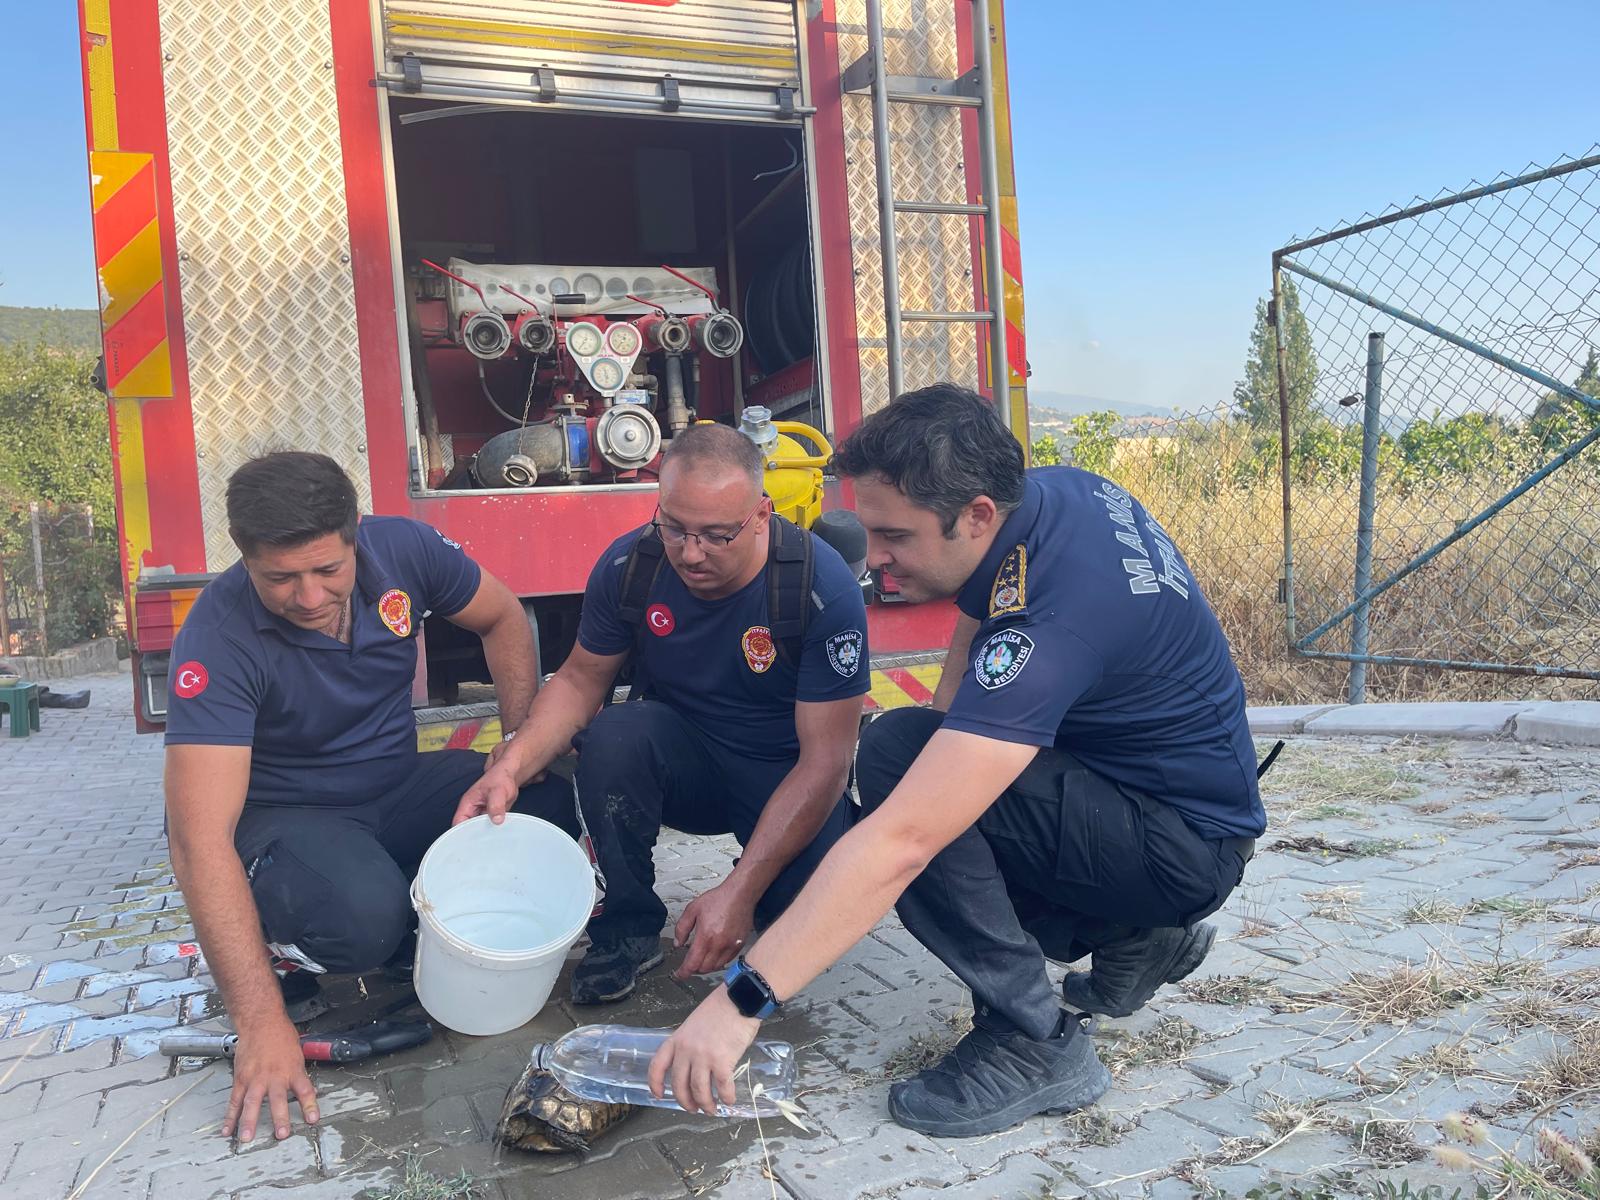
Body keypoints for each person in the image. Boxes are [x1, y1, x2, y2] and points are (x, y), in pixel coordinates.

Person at [647, 384, 1266, 1139]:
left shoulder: (1059, 620)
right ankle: (1138, 932)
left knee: (898, 764)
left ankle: (1034, 1040)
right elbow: (980, 610)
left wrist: (739, 1004)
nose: (872, 559)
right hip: (1167, 810)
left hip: (1178, 847)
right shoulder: (1055, 496)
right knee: (927, 754)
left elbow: (902, 842)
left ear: (974, 514)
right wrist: (946, 752)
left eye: (894, 537)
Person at [164, 451, 573, 1143]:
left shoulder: (402, 548)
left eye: (327, 570)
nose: (310, 597)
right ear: (244, 559)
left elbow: (503, 617)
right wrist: (261, 1022)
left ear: (356, 532)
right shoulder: (217, 637)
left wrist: (515, 747)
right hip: (288, 818)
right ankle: (290, 942)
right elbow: (196, 841)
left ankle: (409, 908)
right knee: (362, 923)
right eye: (280, 579)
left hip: (393, 782)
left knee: (546, 807)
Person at [456, 423, 869, 1006]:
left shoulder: (816, 588)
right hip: (685, 763)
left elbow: (826, 762)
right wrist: (511, 765)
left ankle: (777, 881)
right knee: (614, 735)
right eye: (673, 527)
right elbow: (579, 680)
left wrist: (739, 890)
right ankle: (626, 928)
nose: (690, 553)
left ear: (761, 514)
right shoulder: (632, 566)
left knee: (797, 918)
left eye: (715, 535)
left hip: (784, 775)